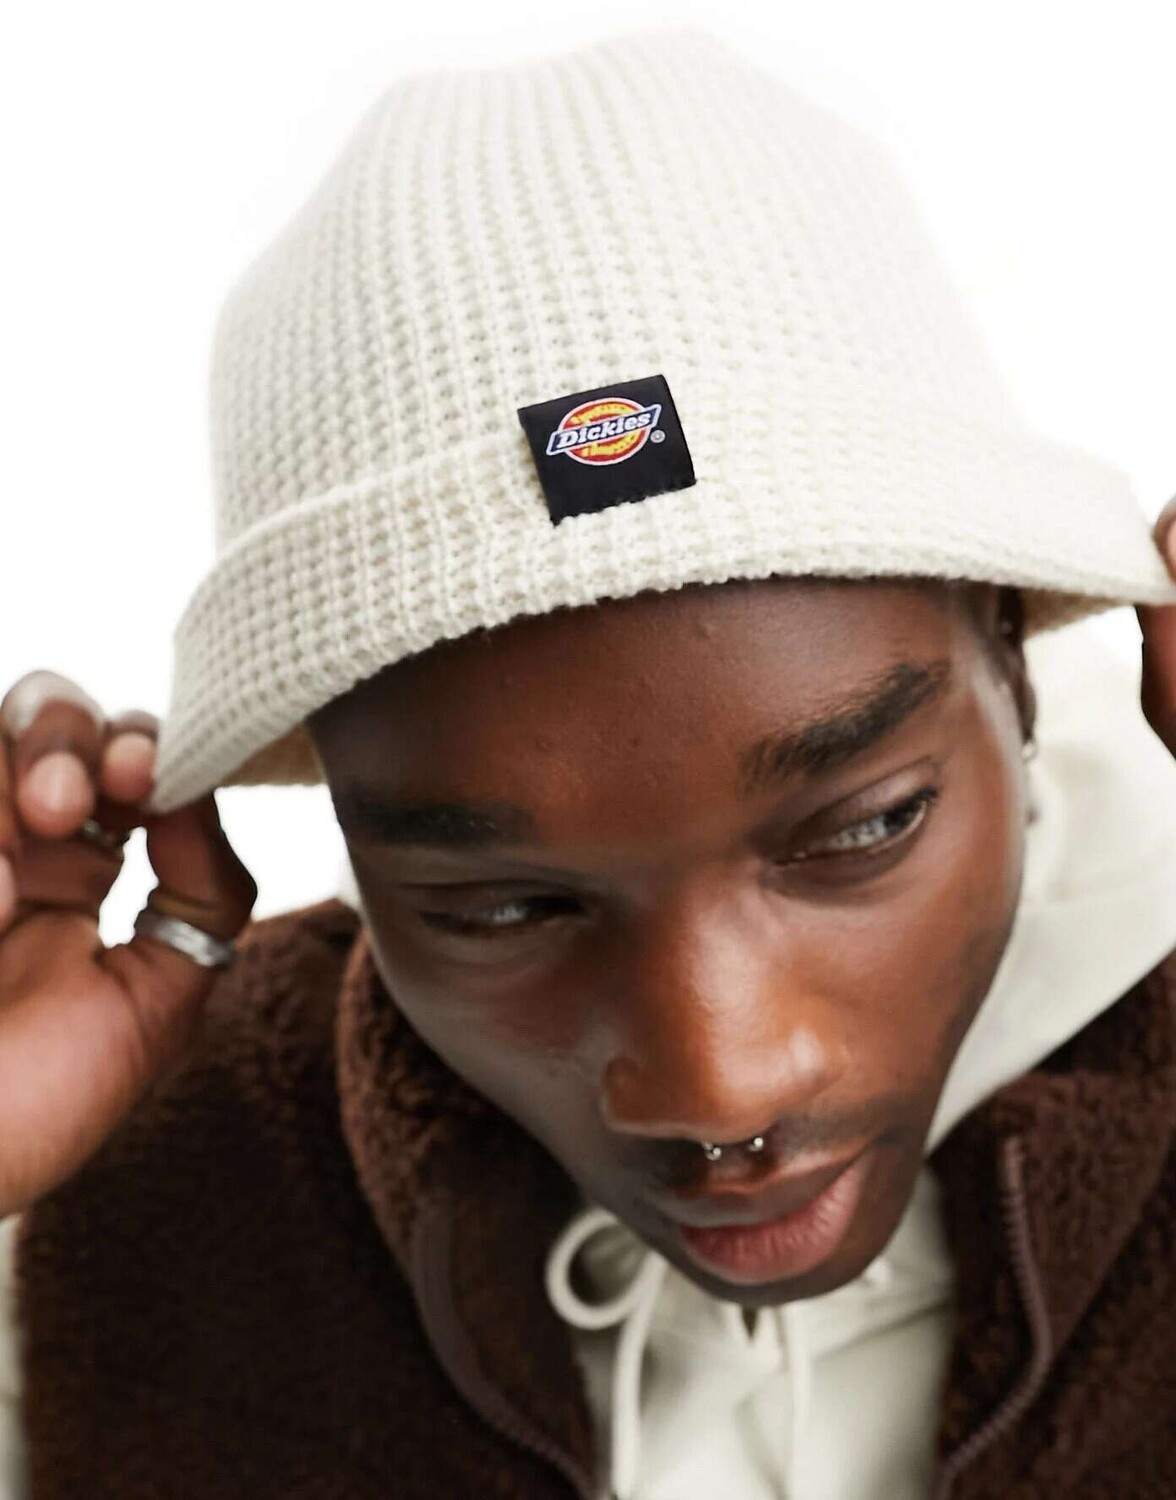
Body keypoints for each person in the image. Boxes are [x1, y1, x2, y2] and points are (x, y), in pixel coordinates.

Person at [3, 26, 1176, 1500]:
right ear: (346, 832)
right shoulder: (159, 1192)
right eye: (503, 908)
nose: (719, 1087)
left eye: (863, 828)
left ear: (1011, 653)